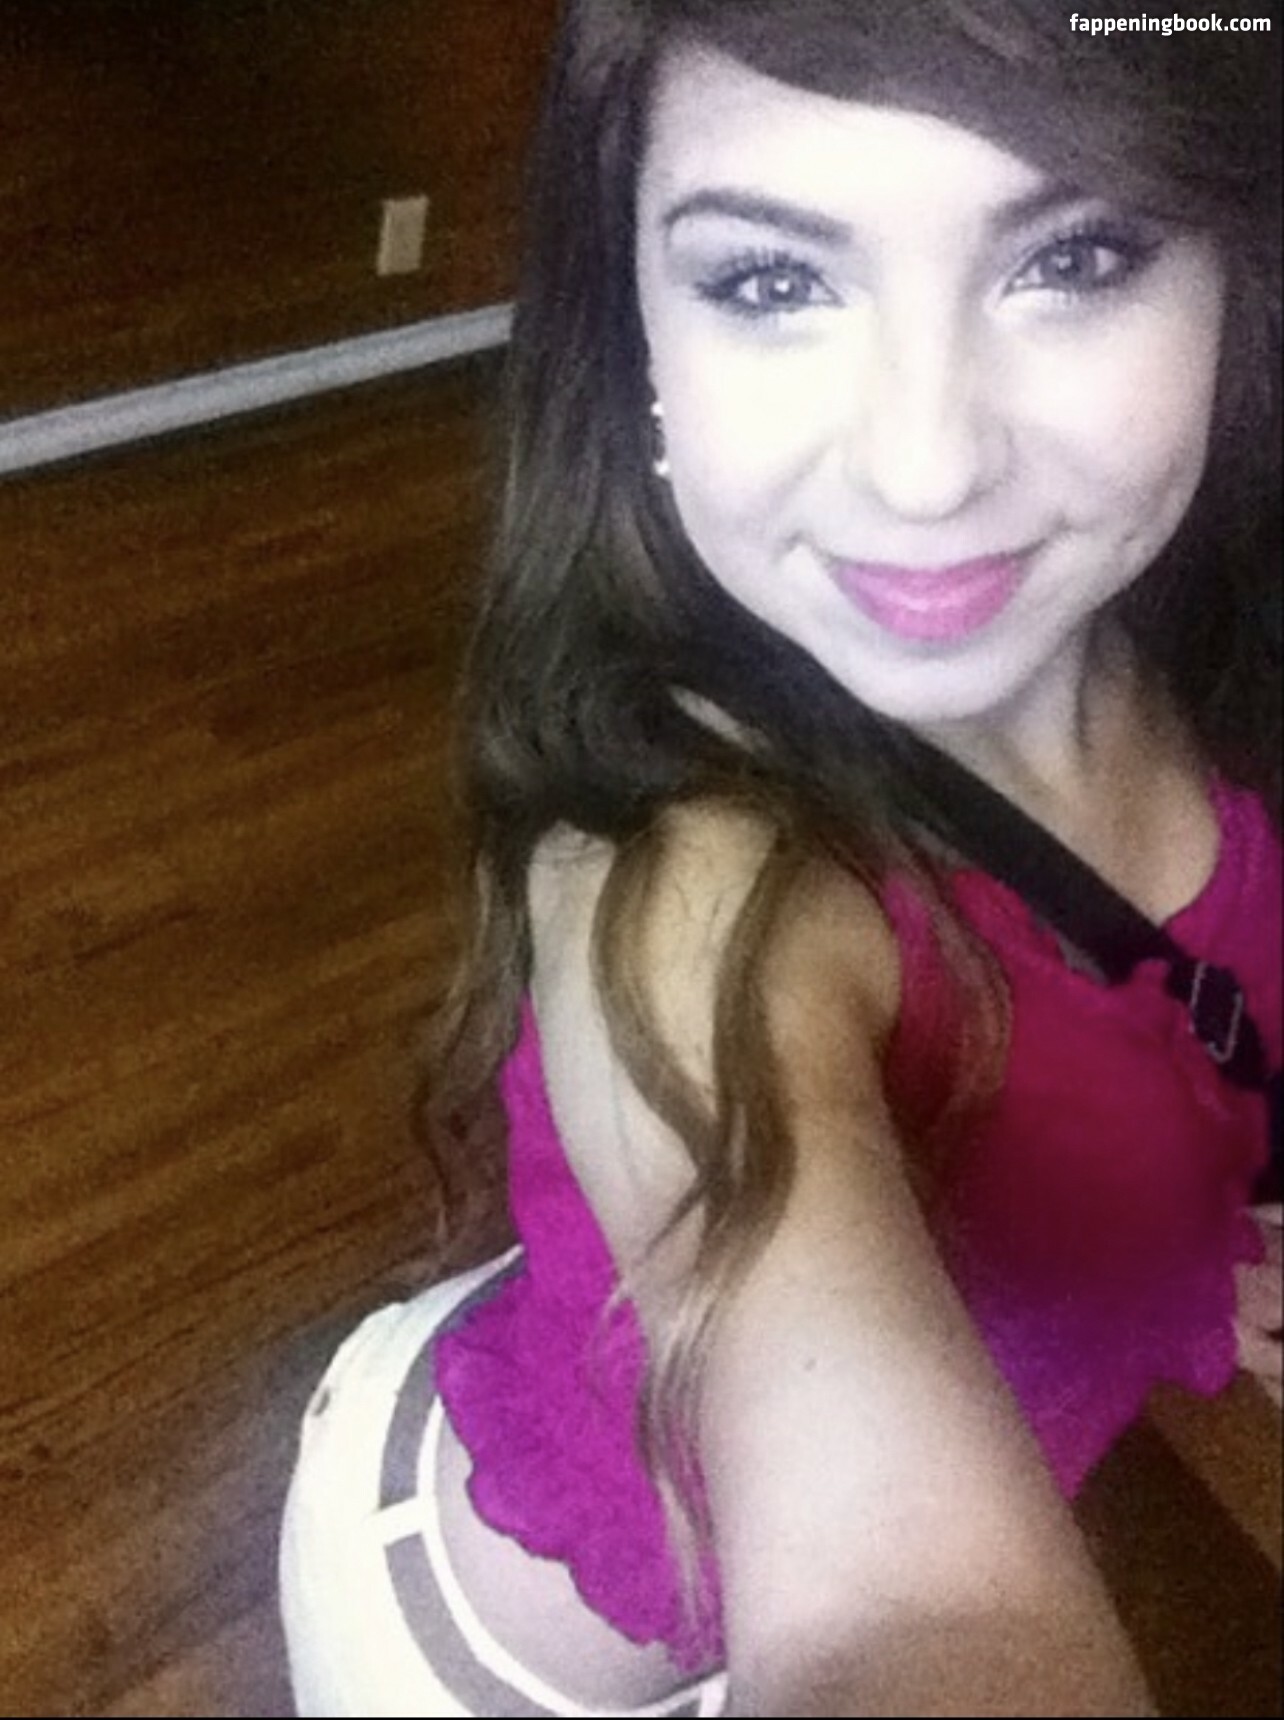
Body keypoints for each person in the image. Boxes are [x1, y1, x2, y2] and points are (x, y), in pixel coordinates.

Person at [278, 2, 1282, 1713]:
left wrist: (1205, 1250)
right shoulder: (685, 876)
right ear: (639, 340)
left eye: (1076, 259)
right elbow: (909, 1625)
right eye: (771, 280)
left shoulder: (1203, 657)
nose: (927, 467)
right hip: (479, 1643)